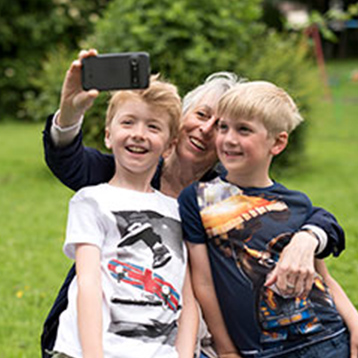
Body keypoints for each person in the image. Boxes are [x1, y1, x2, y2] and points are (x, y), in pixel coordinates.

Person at [41, 50, 344, 357]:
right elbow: (68, 159)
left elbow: (300, 211)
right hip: (106, 332)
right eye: (201, 115)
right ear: (180, 120)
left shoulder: (219, 196)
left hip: (184, 336)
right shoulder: (129, 170)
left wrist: (309, 237)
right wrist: (69, 111)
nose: (206, 129)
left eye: (221, 125)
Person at [178, 81, 358, 358]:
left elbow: (323, 276)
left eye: (244, 129)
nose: (228, 139)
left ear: (277, 142)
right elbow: (203, 283)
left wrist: (354, 324)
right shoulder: (198, 198)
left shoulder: (297, 203)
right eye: (223, 127)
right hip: (261, 350)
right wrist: (226, 350)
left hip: (326, 339)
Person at [51, 74, 199, 358]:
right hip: (89, 350)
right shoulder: (92, 200)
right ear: (108, 134)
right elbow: (89, 284)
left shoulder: (179, 212)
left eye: (153, 126)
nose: (139, 134)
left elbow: (189, 298)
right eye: (128, 122)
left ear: (169, 147)